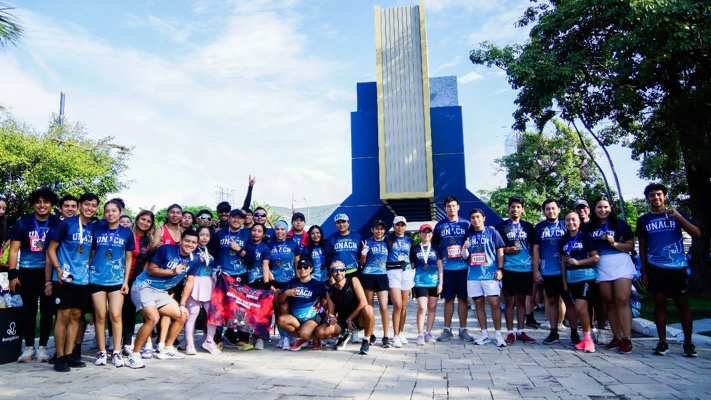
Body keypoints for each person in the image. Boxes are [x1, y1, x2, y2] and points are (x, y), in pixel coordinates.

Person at [637, 183, 701, 357]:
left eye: (659, 194)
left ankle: (688, 343)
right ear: (647, 198)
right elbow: (642, 247)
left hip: (677, 267)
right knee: (659, 304)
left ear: (664, 196)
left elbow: (697, 233)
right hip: (656, 267)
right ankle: (662, 342)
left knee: (682, 304)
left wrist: (678, 217)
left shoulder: (677, 214)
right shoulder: (644, 220)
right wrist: (644, 270)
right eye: (652, 195)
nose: (656, 198)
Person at [126, 229, 202, 369]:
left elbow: (190, 282)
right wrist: (171, 272)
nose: (189, 244)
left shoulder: (196, 258)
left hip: (161, 292)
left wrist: (182, 304)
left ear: (197, 244)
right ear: (181, 241)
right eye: (187, 241)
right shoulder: (166, 249)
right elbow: (151, 270)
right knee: (153, 318)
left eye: (193, 242)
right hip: (144, 286)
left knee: (182, 315)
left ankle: (167, 348)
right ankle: (134, 355)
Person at [46, 192, 99, 372]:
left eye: (93, 206)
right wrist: (58, 269)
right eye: (86, 205)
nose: (89, 208)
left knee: (77, 316)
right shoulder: (65, 224)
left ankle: (69, 355)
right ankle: (59, 357)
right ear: (80, 206)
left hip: (83, 280)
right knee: (63, 317)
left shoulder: (92, 228)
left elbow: (90, 253)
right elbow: (51, 249)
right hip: (64, 279)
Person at [8, 187, 60, 363]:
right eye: (38, 202)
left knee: (47, 311)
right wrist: (12, 275)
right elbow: (13, 250)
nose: (42, 205)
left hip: (48, 273)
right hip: (27, 272)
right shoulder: (22, 223)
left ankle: (43, 348)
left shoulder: (57, 222)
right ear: (33, 204)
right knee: (27, 311)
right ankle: (29, 347)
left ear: (52, 204)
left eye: (46, 201)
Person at [585, 196, 636, 353]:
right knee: (608, 300)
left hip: (620, 261)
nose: (603, 210)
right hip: (601, 263)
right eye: (599, 207)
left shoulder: (620, 224)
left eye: (605, 207)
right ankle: (616, 337)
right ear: (594, 210)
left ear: (611, 208)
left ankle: (627, 339)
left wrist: (615, 244)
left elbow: (630, 246)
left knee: (622, 299)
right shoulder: (588, 227)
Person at [88, 198, 135, 367]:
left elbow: (128, 259)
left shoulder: (127, 233)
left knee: (115, 314)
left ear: (121, 212)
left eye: (114, 211)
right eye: (107, 211)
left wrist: (125, 280)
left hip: (116, 280)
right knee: (100, 316)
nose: (110, 214)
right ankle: (102, 352)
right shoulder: (97, 230)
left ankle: (116, 351)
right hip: (97, 278)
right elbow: (91, 254)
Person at [533, 199, 576, 345]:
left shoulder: (567, 224)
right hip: (548, 270)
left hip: (566, 270)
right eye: (547, 209)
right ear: (544, 211)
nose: (550, 211)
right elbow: (536, 249)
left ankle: (574, 332)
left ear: (559, 209)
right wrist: (536, 270)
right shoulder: (539, 227)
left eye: (553, 208)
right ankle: (553, 332)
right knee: (551, 300)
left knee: (569, 301)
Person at [462, 209, 507, 347]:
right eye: (473, 217)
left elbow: (500, 251)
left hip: (490, 274)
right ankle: (484, 334)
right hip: (474, 276)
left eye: (478, 217)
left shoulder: (493, 232)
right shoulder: (468, 234)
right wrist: (465, 248)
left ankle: (499, 335)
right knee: (479, 305)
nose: (476, 220)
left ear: (484, 218)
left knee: (494, 304)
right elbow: (464, 256)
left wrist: (500, 269)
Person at [495, 195, 536, 345]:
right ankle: (510, 332)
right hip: (509, 268)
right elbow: (497, 248)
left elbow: (534, 247)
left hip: (525, 268)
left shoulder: (528, 226)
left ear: (522, 209)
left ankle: (520, 331)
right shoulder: (502, 226)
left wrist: (535, 266)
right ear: (509, 209)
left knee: (522, 300)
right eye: (513, 206)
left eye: (518, 207)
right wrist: (507, 249)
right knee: (509, 300)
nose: (515, 209)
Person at [432, 195, 473, 342]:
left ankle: (463, 330)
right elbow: (434, 245)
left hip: (463, 268)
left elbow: (473, 241)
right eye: (448, 206)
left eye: (454, 205)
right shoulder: (440, 225)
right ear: (445, 208)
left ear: (458, 207)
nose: (451, 208)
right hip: (447, 269)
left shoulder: (467, 224)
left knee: (462, 299)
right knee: (448, 299)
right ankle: (447, 330)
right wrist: (439, 259)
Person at [210, 208, 251, 347]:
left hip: (240, 275)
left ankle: (243, 339)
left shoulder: (247, 234)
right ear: (229, 218)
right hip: (223, 275)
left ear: (243, 220)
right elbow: (213, 253)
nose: (236, 220)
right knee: (220, 306)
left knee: (241, 307)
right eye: (234, 217)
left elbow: (251, 257)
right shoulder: (219, 234)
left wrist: (239, 249)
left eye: (240, 218)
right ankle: (217, 339)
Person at [314, 261, 375, 355]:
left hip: (358, 318)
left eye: (341, 270)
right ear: (331, 273)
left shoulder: (353, 280)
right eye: (335, 270)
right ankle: (343, 335)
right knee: (320, 332)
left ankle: (366, 340)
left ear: (345, 271)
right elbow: (331, 312)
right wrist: (331, 319)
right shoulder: (329, 292)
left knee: (369, 309)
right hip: (343, 321)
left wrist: (349, 320)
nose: (338, 272)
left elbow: (363, 302)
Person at [560, 211, 600, 353]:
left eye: (573, 220)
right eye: (568, 220)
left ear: (579, 222)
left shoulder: (585, 238)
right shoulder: (564, 240)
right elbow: (563, 262)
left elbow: (596, 258)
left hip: (586, 277)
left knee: (580, 308)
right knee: (580, 309)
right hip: (571, 279)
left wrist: (578, 262)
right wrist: (564, 281)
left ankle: (589, 340)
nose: (571, 223)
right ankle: (585, 338)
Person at [179, 226, 220, 355]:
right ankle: (189, 343)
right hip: (194, 283)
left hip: (208, 283)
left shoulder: (210, 251)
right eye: (201, 235)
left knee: (212, 315)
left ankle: (209, 340)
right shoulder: (191, 251)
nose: (204, 238)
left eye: (207, 235)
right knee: (192, 315)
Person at [123, 210, 155, 359]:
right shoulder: (126, 234)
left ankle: (127, 343)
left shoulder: (149, 241)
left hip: (137, 281)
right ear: (137, 219)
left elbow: (149, 260)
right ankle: (113, 341)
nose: (145, 223)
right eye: (143, 219)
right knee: (116, 312)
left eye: (148, 221)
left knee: (131, 312)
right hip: (120, 278)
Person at [277, 259, 327, 351]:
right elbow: (280, 301)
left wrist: (320, 307)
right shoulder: (292, 283)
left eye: (305, 267)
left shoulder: (318, 284)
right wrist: (286, 293)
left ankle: (313, 337)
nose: (302, 269)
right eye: (299, 267)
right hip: (296, 317)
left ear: (311, 269)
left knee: (304, 333)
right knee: (281, 320)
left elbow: (326, 298)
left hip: (311, 317)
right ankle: (302, 338)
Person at [266, 220, 300, 349]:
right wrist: (268, 271)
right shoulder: (269, 245)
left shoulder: (293, 244)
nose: (280, 232)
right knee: (278, 309)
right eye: (277, 229)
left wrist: (298, 279)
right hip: (275, 281)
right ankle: (282, 337)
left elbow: (297, 263)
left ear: (287, 231)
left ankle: (290, 335)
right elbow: (264, 262)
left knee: (289, 309)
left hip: (290, 281)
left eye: (282, 229)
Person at [359, 220, 391, 347]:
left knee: (384, 307)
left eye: (382, 229)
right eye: (376, 229)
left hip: (382, 275)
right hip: (368, 275)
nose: (379, 231)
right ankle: (370, 334)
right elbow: (362, 264)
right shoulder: (367, 242)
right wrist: (363, 253)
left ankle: (386, 336)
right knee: (369, 308)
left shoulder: (386, 243)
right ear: (372, 230)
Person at [411, 224, 443, 346]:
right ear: (420, 234)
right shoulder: (414, 249)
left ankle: (428, 332)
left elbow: (440, 266)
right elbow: (412, 265)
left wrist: (441, 283)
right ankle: (420, 334)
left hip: (434, 282)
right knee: (422, 307)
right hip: (419, 282)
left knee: (432, 308)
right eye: (424, 232)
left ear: (432, 234)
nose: (426, 234)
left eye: (429, 232)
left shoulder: (436, 248)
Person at [242, 223, 271, 350]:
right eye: (254, 230)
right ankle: (247, 337)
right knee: (246, 310)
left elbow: (265, 266)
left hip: (258, 281)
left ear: (263, 234)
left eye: (259, 231)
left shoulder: (265, 248)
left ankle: (259, 338)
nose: (256, 233)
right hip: (245, 280)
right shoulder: (245, 244)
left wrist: (266, 284)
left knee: (259, 310)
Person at [386, 216, 414, 348]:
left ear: (405, 226)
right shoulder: (388, 239)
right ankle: (395, 335)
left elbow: (412, 257)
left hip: (406, 271)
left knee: (404, 305)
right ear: (393, 226)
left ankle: (401, 332)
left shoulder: (409, 240)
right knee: (397, 304)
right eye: (397, 225)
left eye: (402, 225)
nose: (400, 227)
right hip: (393, 272)